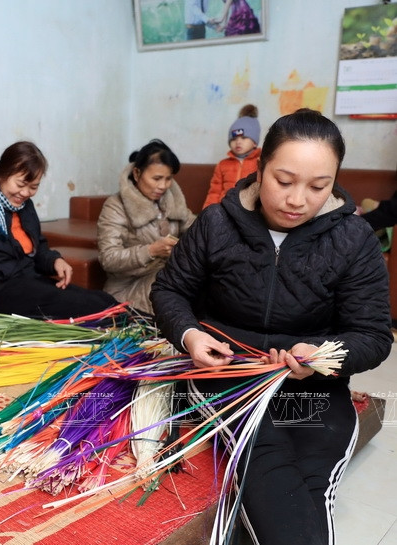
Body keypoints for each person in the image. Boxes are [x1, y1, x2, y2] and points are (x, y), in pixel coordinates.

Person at [150, 109, 391, 545]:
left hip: (310, 383)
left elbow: (373, 335)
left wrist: (323, 356)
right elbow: (169, 292)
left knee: (313, 470)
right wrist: (191, 335)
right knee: (265, 456)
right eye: (284, 181)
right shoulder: (216, 224)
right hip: (230, 376)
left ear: (334, 181)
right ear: (259, 171)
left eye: (318, 187)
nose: (298, 199)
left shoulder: (354, 240)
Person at [0, 141, 118, 320]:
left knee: (104, 301)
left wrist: (54, 261)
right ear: (2, 175)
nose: (25, 193)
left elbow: (36, 248)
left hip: (28, 283)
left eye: (33, 187)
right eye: (20, 185)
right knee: (92, 310)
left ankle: (142, 326)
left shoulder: (24, 206)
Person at [96, 139, 195, 315]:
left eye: (168, 179)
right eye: (157, 178)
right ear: (136, 174)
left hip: (165, 277)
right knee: (175, 284)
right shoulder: (116, 206)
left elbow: (196, 230)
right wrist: (150, 251)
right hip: (128, 289)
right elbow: (109, 258)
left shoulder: (172, 201)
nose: (163, 186)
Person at [202, 104, 262, 209]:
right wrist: (206, 212)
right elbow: (214, 192)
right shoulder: (222, 165)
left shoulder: (260, 162)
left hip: (249, 211)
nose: (238, 142)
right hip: (224, 210)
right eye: (234, 139)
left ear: (254, 142)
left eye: (243, 138)